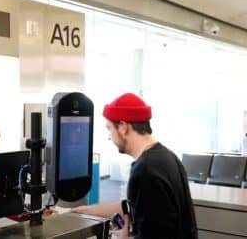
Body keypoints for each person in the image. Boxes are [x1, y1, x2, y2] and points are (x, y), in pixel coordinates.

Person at [71, 93, 197, 239]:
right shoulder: (167, 157)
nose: (110, 137)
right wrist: (84, 211)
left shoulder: (145, 172)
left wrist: (124, 237)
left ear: (123, 127)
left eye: (110, 129)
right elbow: (133, 206)